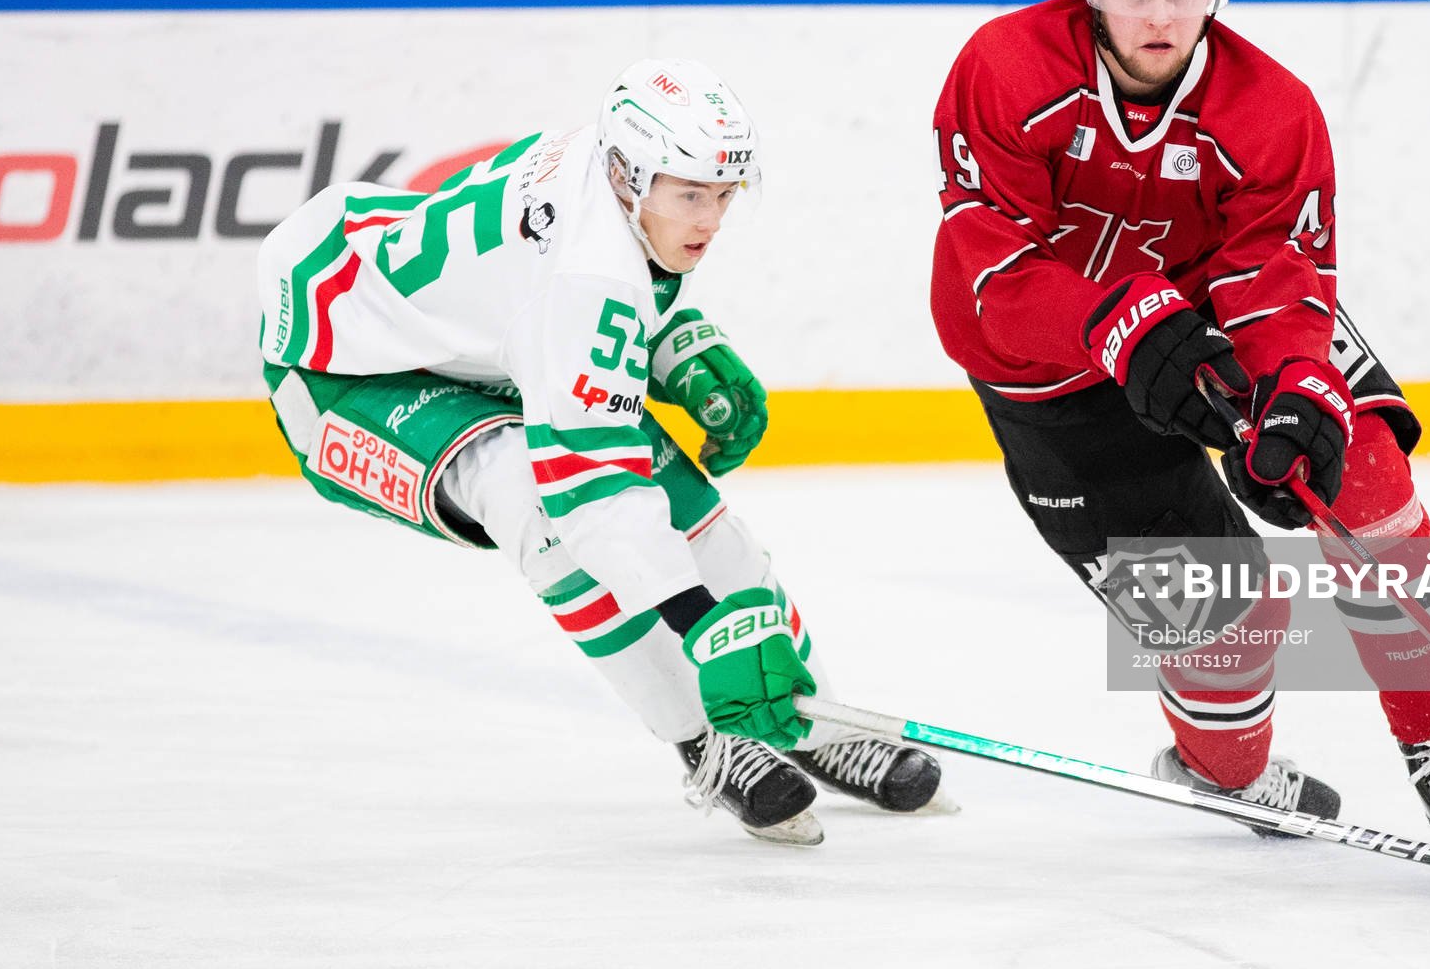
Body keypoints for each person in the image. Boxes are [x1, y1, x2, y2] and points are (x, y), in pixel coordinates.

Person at [928, 0, 1430, 854]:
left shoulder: (1273, 109)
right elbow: (987, 279)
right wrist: (1122, 320)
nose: (1159, 18)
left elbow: (1280, 279)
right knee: (1228, 629)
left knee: (1364, 467)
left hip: (1219, 321)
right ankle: (1220, 765)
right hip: (1054, 377)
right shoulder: (1005, 68)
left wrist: (1294, 385)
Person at [256, 57, 943, 846]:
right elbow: (594, 495)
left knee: (693, 516)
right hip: (342, 370)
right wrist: (702, 626)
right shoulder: (586, 285)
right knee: (539, 511)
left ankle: (812, 722)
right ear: (629, 176)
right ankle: (707, 740)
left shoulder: (607, 159)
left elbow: (564, 284)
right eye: (690, 196)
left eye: (723, 195)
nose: (710, 219)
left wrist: (675, 337)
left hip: (466, 343)